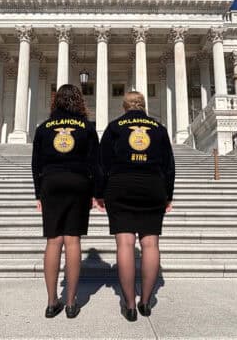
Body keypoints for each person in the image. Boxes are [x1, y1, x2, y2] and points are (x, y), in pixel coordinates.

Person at [95, 91, 175, 322]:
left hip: (120, 185)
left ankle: (129, 304)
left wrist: (99, 193)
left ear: (124, 106)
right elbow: (169, 166)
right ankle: (146, 301)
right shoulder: (158, 128)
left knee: (125, 243)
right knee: (150, 243)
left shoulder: (115, 126)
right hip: (153, 186)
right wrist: (168, 195)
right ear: (143, 105)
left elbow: (102, 163)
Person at [32, 84, 99, 319]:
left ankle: (52, 302)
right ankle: (71, 303)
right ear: (78, 101)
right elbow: (95, 162)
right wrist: (95, 192)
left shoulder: (44, 128)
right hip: (78, 181)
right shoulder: (86, 127)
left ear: (56, 101)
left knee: (53, 241)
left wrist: (38, 193)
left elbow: (36, 163)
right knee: (72, 241)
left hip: (51, 181)